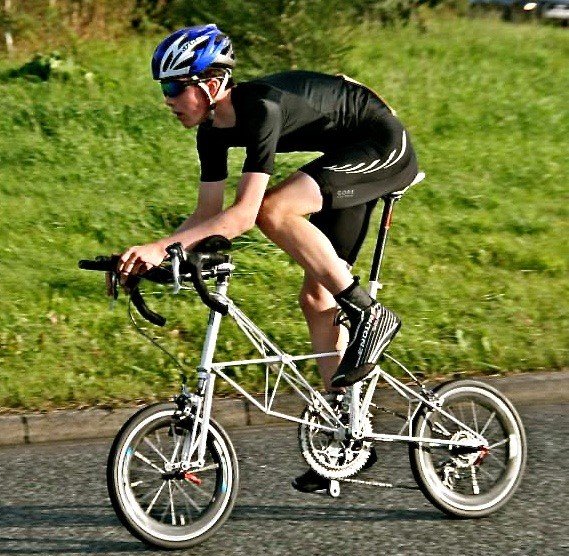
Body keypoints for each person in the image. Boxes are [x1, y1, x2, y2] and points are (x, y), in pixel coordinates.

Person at [117, 24, 419, 492]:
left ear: (212, 84)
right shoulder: (210, 134)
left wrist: (163, 248)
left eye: (175, 86)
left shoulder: (260, 109)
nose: (168, 98)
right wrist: (148, 256)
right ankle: (347, 433)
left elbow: (241, 216)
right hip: (342, 155)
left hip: (382, 147)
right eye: (164, 87)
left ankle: (370, 312)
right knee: (317, 297)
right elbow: (205, 216)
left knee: (274, 209)